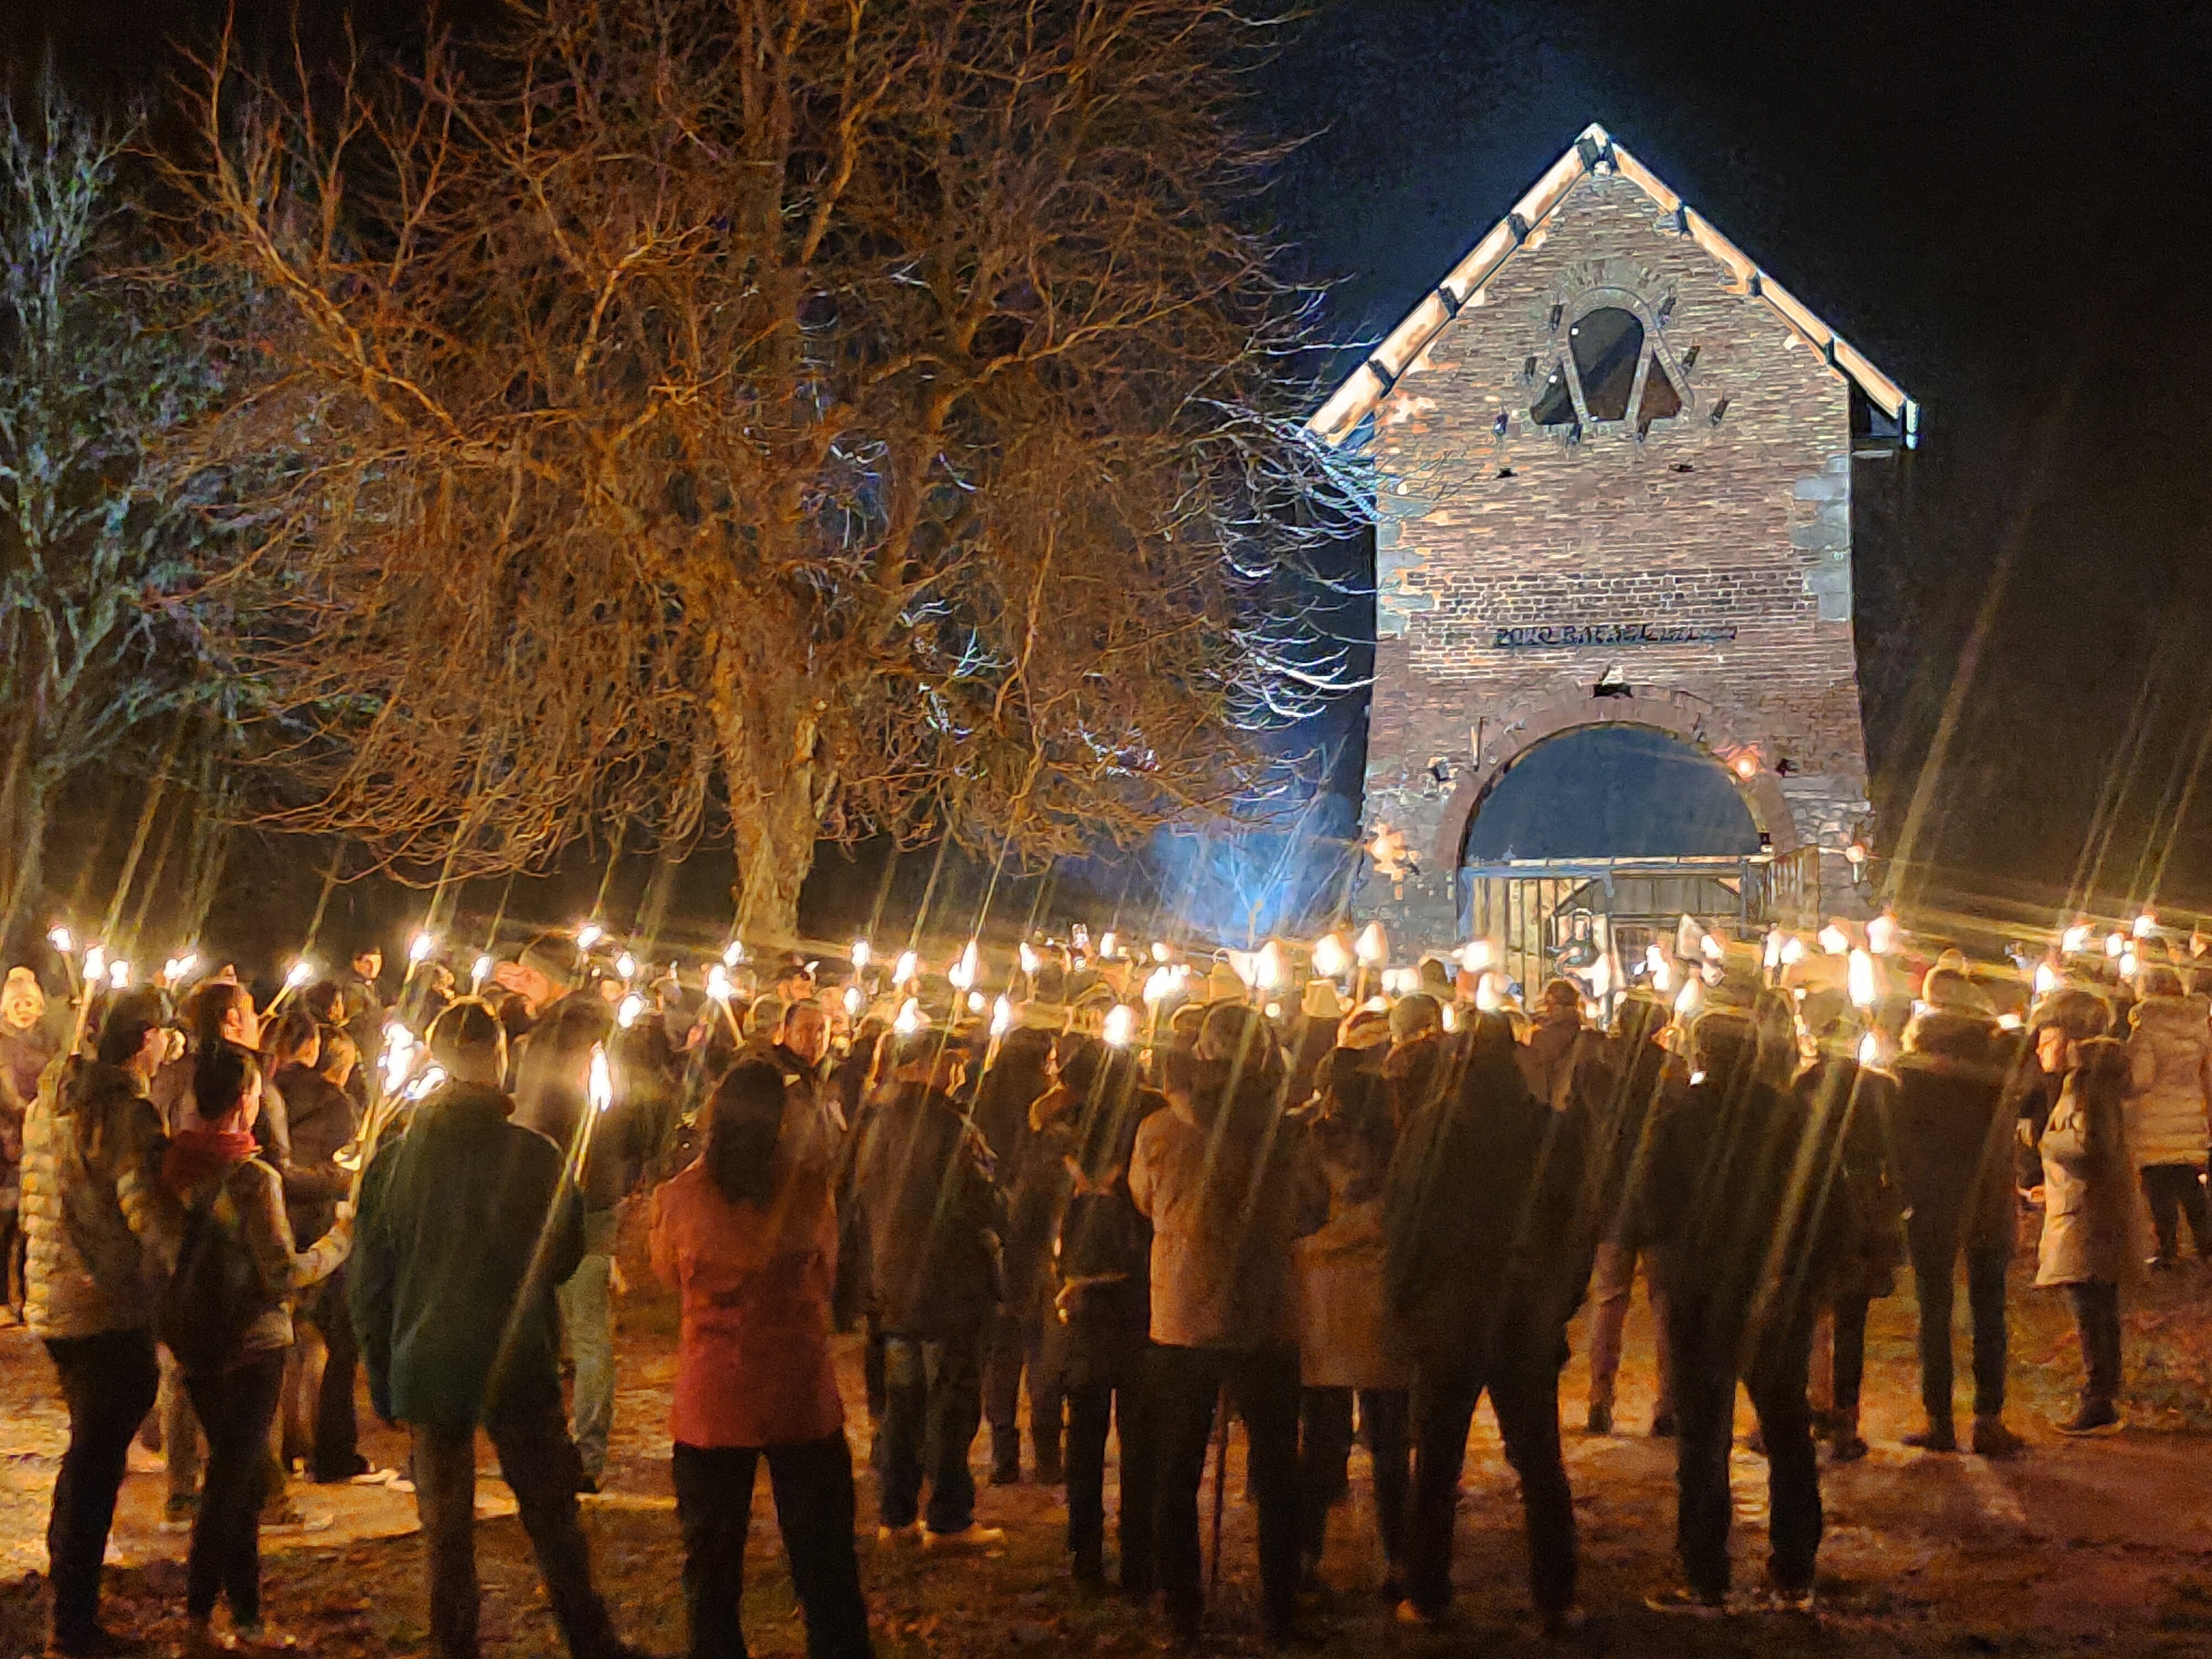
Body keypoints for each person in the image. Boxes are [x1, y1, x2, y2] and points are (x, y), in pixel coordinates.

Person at [352, 999, 646, 1659]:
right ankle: (589, 1639)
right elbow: (564, 1256)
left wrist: (382, 1372)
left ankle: (453, 1646)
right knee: (551, 1519)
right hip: (515, 1360)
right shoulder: (536, 1159)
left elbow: (369, 1282)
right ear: (500, 1057)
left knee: (446, 1532)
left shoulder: (391, 1164)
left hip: (426, 1365)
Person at [649, 1058, 872, 1659]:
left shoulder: (679, 1199)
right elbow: (827, 1274)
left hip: (714, 1398)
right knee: (824, 1558)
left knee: (713, 1565)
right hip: (798, 1393)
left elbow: (666, 1273)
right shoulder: (808, 1192)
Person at [1632, 1011, 1849, 1615]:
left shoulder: (1679, 1118)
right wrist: (1803, 1280)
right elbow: (1829, 1204)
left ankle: (1706, 1578)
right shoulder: (1790, 1117)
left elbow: (1649, 1203)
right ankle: (1794, 1572)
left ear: (1702, 1055)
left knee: (1703, 1437)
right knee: (1786, 1430)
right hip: (1773, 1292)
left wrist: (1674, 1264)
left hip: (1704, 1295)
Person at [1384, 1009, 1585, 1634]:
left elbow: (1404, 1219)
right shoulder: (1545, 1131)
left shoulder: (1431, 1129)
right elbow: (1575, 1228)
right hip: (1521, 1313)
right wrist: (1558, 1301)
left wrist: (1405, 1300)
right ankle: (1555, 1597)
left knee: (1438, 1462)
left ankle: (1428, 1592)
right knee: (1538, 1460)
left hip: (1452, 1312)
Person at [1130, 1006, 1324, 1643]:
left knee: (1177, 1464)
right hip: (1266, 1310)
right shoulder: (1286, 1132)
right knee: (1274, 1465)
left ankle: (1179, 1600)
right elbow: (1305, 1206)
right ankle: (1280, 1601)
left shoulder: (1160, 1129)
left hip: (1184, 1312)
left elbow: (1144, 1198)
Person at [160, 1041, 351, 1656]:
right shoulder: (251, 1178)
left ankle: (245, 1616)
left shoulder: (173, 1167)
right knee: (228, 1486)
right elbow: (281, 1274)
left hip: (194, 1344)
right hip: (252, 1348)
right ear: (246, 1101)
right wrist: (339, 1242)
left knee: (236, 1482)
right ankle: (197, 1618)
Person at [21, 987, 180, 1657]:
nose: (172, 1046)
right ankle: (75, 1621)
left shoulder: (48, 1105)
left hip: (54, 1302)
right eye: (166, 1035)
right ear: (146, 1039)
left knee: (89, 1452)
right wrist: (180, 1261)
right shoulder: (127, 1116)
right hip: (106, 1306)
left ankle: (71, 1602)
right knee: (94, 1460)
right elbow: (147, 1216)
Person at [854, 1021, 1007, 1548]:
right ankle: (948, 1516)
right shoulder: (949, 1128)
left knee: (903, 1403)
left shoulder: (874, 1122)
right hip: (947, 1288)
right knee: (951, 1402)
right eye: (950, 1060)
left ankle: (896, 1516)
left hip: (893, 1289)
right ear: (921, 1065)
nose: (958, 1069)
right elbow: (979, 1200)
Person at [1888, 969, 2027, 1455]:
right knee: (1990, 1308)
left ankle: (1939, 1420)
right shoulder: (1994, 1067)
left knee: (1934, 1309)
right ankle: (1988, 1419)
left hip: (1932, 1196)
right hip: (1986, 1192)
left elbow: (1899, 1137)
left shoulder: (1911, 1068)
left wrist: (1903, 1188)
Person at [511, 993, 644, 1492]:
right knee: (588, 1335)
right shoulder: (608, 1063)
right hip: (589, 1203)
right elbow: (637, 1130)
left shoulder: (545, 1067)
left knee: (551, 1329)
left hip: (559, 1203)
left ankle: (567, 1451)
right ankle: (586, 1455)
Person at [1295, 1052, 1410, 1597]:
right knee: (1386, 1441)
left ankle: (1305, 1553)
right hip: (1373, 1304)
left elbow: (1296, 1218)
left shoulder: (1314, 1150)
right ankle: (1399, 1558)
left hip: (1329, 1303)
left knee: (1325, 1438)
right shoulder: (1403, 1153)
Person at [1047, 1046, 1162, 1591]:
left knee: (1086, 1432)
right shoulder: (1149, 1132)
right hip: (1138, 1300)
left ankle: (1084, 1550)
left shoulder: (1063, 1137)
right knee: (1140, 1434)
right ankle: (1139, 1551)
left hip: (1080, 1304)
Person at [1794, 992, 1904, 1463]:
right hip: (1862, 1208)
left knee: (1811, 1314)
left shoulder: (1804, 1085)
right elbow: (1895, 1154)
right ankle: (1844, 1416)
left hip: (1817, 1208)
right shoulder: (1880, 1088)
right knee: (1852, 1320)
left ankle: (1816, 1406)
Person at [272, 1026, 375, 1483]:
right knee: (332, 1343)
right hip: (320, 1232)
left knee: (284, 1342)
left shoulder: (268, 1093)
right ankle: (329, 1451)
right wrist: (346, 1179)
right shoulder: (337, 1107)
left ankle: (288, 1447)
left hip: (274, 1225)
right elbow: (349, 1167)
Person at [1577, 990, 1675, 1438]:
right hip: (1658, 1193)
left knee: (1609, 1301)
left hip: (1613, 1193)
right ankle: (1668, 1405)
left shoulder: (1595, 1068)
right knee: (1664, 1307)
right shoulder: (1670, 1070)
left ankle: (1600, 1400)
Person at [2036, 1036, 2138, 1434]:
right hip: (2087, 1209)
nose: (2042, 1049)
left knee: (2091, 1306)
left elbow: (2096, 1147)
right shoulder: (2085, 1083)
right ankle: (2102, 1395)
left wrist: (2049, 1144)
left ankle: (2099, 1399)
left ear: (2070, 1043)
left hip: (2088, 1213)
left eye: (2048, 1041)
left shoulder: (2087, 1087)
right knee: (2097, 1305)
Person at [975, 1026, 1063, 1485]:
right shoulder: (1046, 1119)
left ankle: (1004, 1454)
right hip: (1037, 1247)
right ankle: (1047, 1453)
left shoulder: (981, 1110)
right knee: (1043, 1352)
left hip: (998, 1246)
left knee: (1003, 1355)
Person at [2124, 966, 2212, 1267]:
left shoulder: (2147, 1026)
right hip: (2190, 1114)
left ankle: (2169, 1250)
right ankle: (2206, 1244)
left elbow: (2142, 1078)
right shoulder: (2198, 1024)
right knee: (2191, 1186)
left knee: (2160, 1191)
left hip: (2155, 1120)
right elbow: (2207, 1074)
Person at [2, 964, 58, 1322]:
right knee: (7, 1221)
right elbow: (6, 1091)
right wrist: (29, 1113)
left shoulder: (51, 1041)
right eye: (16, 1004)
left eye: (29, 1004)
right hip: (9, 1142)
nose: (24, 1010)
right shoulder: (2, 1044)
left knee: (34, 1223)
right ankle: (5, 1298)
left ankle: (31, 1293)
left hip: (43, 1138)